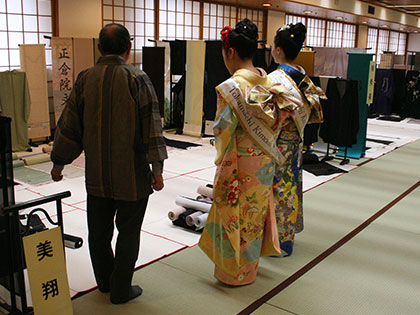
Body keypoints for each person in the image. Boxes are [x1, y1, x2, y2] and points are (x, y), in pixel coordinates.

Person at [50, 23, 168, 304]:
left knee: (98, 233)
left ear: (99, 48)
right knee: (128, 233)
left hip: (98, 176)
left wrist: (58, 164)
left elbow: (69, 127)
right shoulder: (138, 78)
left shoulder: (85, 78)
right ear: (129, 49)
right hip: (132, 176)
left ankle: (104, 282)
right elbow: (152, 126)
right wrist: (157, 170)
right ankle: (120, 289)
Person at [199, 19, 299, 286]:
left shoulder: (232, 87)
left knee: (234, 214)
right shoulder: (269, 81)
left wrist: (221, 157)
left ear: (230, 52)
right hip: (264, 162)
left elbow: (223, 129)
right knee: (254, 217)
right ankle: (249, 271)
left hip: (239, 161)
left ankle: (233, 273)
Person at [269, 23, 326, 256]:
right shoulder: (303, 75)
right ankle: (287, 235)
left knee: (276, 189)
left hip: (277, 141)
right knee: (290, 188)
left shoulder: (276, 78)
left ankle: (276, 241)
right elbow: (313, 111)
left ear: (279, 49)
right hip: (296, 139)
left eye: (273, 45)